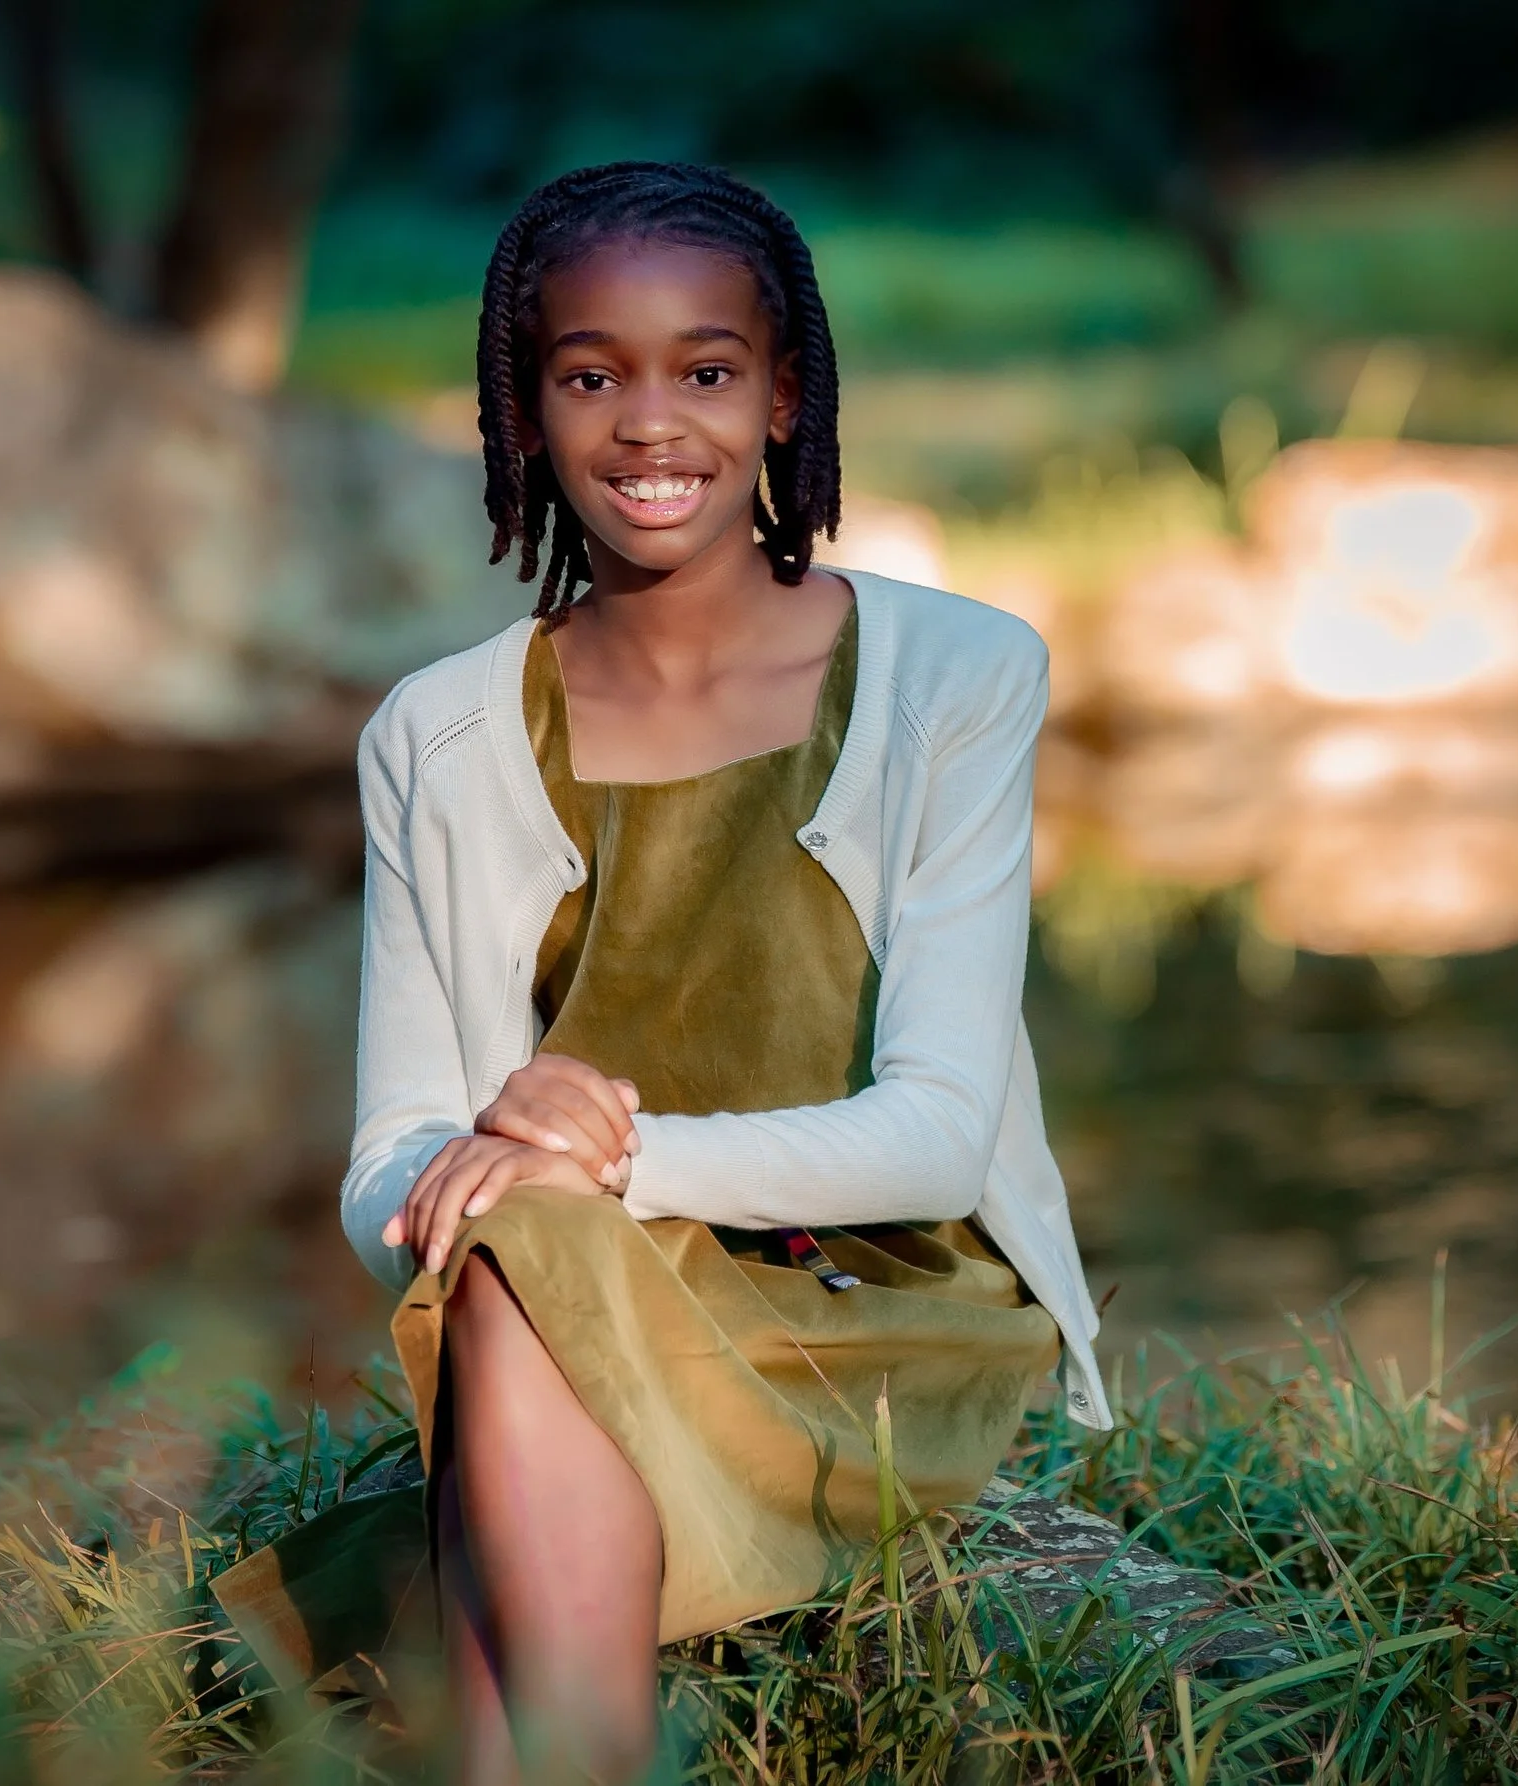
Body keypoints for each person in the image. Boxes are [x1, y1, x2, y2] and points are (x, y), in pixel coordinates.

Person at [342, 161, 1109, 1782]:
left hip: (885, 1291)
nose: (648, 425)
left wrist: (599, 1156)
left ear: (783, 398)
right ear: (522, 406)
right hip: (572, 1278)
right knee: (518, 1256)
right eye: (589, 374)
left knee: (528, 1249)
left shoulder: (957, 676)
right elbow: (387, 1168)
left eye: (706, 371)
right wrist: (511, 1170)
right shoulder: (438, 733)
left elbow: (942, 1135)